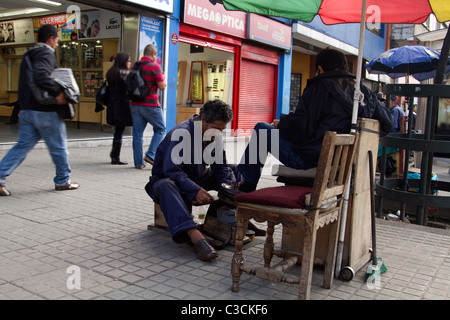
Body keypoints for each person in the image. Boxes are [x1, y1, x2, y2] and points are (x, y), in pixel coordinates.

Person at [235, 48, 394, 193]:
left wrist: (281, 124)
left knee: (262, 130)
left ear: (320, 69)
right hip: (340, 162)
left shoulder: (318, 87)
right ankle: (244, 184)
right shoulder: (364, 93)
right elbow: (388, 123)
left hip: (309, 160)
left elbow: (300, 130)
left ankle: (245, 186)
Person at [145, 100, 239, 261]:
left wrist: (229, 189)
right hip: (169, 182)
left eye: (222, 130)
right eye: (215, 128)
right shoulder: (181, 133)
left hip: (196, 178)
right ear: (203, 120)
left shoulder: (214, 135)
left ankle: (227, 214)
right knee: (167, 185)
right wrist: (194, 190)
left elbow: (220, 167)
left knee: (235, 170)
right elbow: (171, 170)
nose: (218, 133)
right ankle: (195, 237)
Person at [0, 24, 79, 197]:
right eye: (57, 39)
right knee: (59, 147)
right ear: (51, 38)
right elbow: (41, 75)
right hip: (45, 111)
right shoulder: (45, 53)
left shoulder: (29, 54)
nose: (57, 43)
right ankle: (62, 180)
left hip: (28, 110)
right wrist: (57, 93)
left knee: (22, 146)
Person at [130, 44, 166, 169]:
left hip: (135, 104)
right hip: (151, 105)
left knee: (137, 134)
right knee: (161, 128)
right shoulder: (154, 67)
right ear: (153, 54)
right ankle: (151, 154)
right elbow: (162, 86)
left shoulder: (134, 66)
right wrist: (163, 77)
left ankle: (138, 163)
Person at [105, 53, 133, 165]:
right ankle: (115, 156)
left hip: (112, 106)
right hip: (122, 106)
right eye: (128, 60)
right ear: (124, 61)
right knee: (119, 131)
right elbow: (131, 89)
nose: (129, 63)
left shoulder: (111, 72)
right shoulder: (124, 73)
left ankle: (114, 154)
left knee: (117, 131)